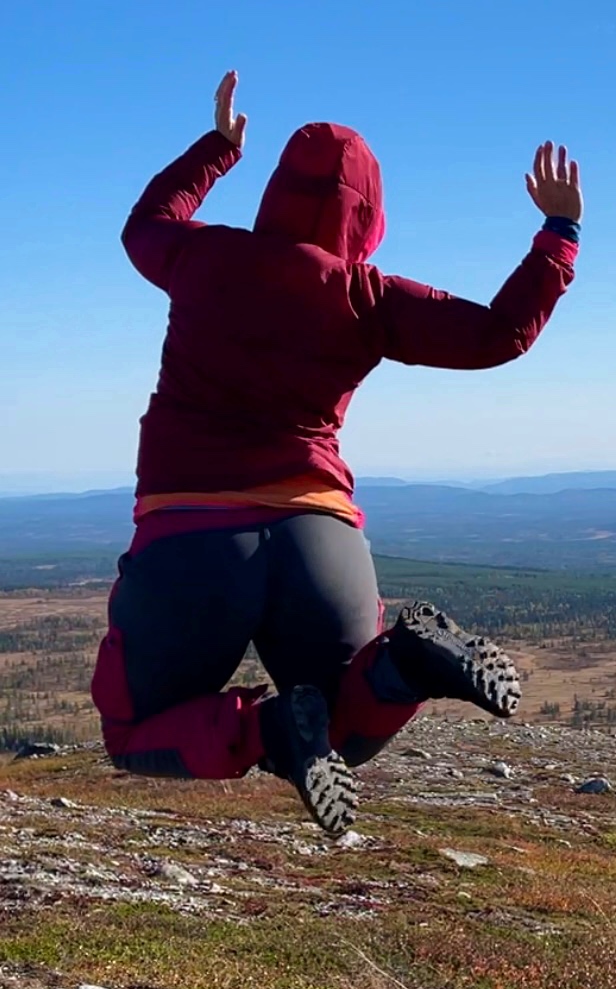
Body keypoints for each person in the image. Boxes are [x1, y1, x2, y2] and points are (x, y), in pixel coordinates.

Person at [92, 72, 581, 836]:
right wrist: (558, 235)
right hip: (320, 535)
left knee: (133, 732)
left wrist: (216, 151)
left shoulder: (205, 259)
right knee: (349, 726)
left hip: (190, 538)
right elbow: (498, 335)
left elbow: (146, 225)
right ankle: (409, 662)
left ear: (277, 189)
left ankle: (266, 728)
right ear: (370, 213)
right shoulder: (366, 297)